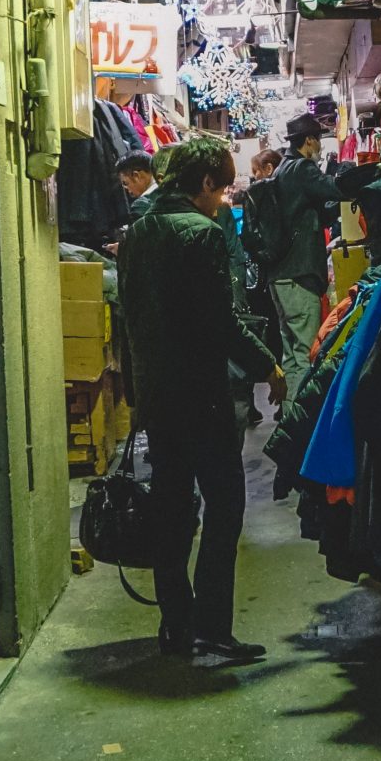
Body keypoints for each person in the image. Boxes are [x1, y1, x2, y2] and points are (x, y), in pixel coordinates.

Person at [116, 135, 286, 665]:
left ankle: (176, 624)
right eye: (223, 187)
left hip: (157, 396)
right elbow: (220, 323)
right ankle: (212, 628)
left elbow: (131, 317)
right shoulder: (202, 234)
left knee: (171, 507)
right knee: (225, 506)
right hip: (202, 397)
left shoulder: (138, 232)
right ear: (206, 183)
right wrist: (268, 365)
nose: (224, 199)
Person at [252, 114, 345, 403]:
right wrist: (353, 176)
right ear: (309, 141)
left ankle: (290, 419)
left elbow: (318, 210)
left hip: (280, 277)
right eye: (318, 139)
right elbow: (336, 190)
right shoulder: (302, 168)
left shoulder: (282, 171)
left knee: (292, 354)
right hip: (298, 274)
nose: (318, 146)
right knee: (306, 353)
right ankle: (301, 428)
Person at [116, 151, 158, 221]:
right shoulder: (173, 190)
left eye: (125, 183)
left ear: (136, 176)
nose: (126, 188)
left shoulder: (141, 207)